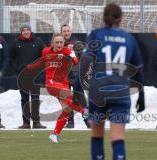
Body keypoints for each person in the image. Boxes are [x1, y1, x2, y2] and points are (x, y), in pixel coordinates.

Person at [82, 3, 144, 160]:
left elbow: (85, 63)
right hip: (120, 92)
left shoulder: (95, 35)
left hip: (98, 93)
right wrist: (141, 95)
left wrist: (79, 88)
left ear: (103, 17)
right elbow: (139, 68)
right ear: (121, 18)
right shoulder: (129, 38)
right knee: (117, 136)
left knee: (97, 135)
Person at [27, 33, 86, 143]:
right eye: (57, 42)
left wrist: (66, 57)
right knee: (70, 99)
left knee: (67, 109)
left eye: (61, 42)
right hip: (51, 83)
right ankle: (84, 111)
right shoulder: (45, 51)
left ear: (64, 43)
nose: (59, 44)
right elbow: (42, 61)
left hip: (63, 83)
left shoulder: (67, 51)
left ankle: (54, 134)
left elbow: (75, 61)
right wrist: (30, 67)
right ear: (52, 43)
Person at [10, 24, 46, 129]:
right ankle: (26, 123)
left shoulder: (38, 41)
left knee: (35, 98)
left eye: (28, 30)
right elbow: (11, 59)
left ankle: (36, 122)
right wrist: (18, 69)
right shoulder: (16, 43)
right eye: (24, 30)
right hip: (22, 76)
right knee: (24, 99)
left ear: (31, 31)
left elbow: (44, 57)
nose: (26, 32)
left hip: (36, 76)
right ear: (21, 32)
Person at [61, 24, 88, 128]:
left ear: (70, 32)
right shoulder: (59, 44)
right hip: (63, 77)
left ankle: (87, 121)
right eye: (64, 31)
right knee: (66, 100)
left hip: (76, 76)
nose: (66, 33)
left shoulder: (77, 43)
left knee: (81, 100)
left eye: (68, 31)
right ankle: (70, 122)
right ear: (61, 33)